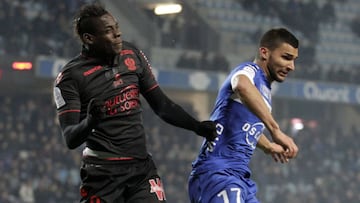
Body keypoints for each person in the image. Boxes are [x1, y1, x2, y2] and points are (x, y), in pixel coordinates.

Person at [52, 3, 217, 203]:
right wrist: (90, 121)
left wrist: (197, 126)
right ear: (89, 39)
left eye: (117, 27)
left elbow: (162, 105)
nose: (118, 34)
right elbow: (70, 138)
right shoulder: (70, 77)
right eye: (109, 31)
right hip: (102, 175)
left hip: (141, 169)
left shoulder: (132, 54)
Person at [188, 28, 300, 203]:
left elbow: (246, 128)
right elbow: (241, 85)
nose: (291, 66)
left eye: (294, 60)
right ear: (264, 52)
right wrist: (276, 130)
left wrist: (269, 146)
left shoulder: (265, 91)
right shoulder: (249, 70)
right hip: (218, 174)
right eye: (286, 57)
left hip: (239, 178)